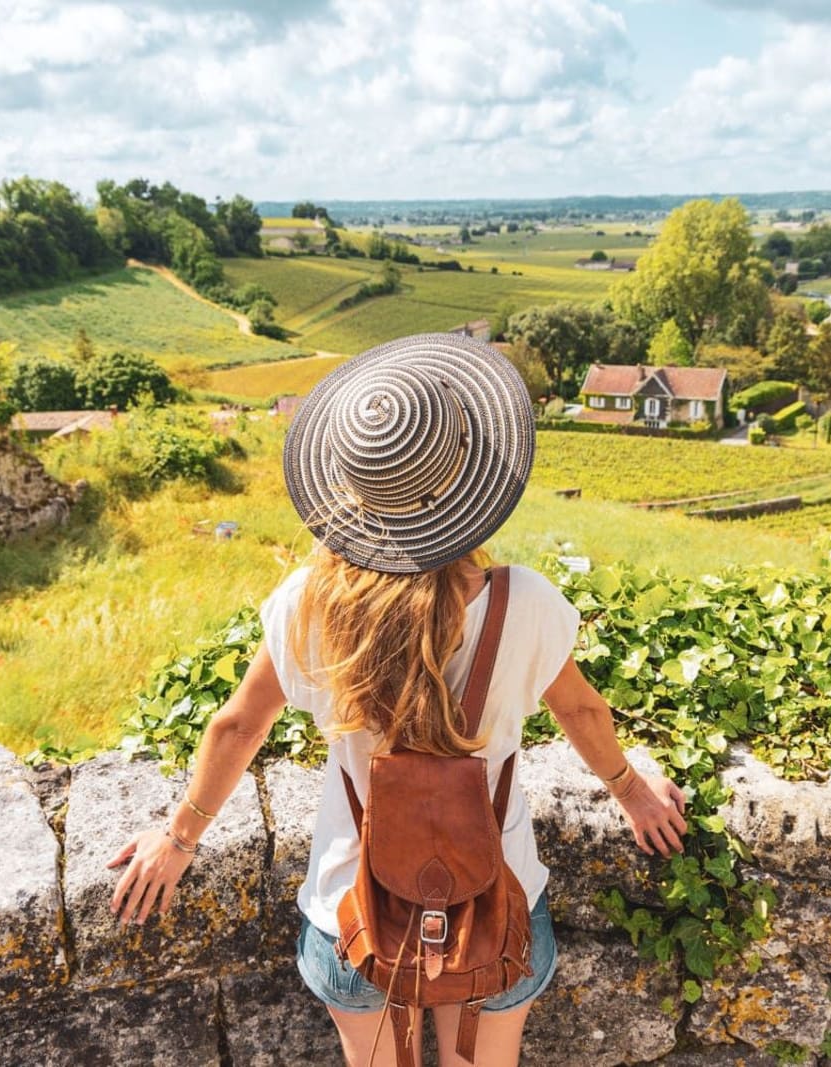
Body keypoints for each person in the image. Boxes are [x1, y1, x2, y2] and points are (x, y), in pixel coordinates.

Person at [109, 333, 688, 1066]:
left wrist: (181, 836)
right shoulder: (524, 602)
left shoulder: (306, 605)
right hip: (498, 909)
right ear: (467, 482)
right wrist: (631, 788)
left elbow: (238, 724)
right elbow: (581, 712)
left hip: (352, 914)